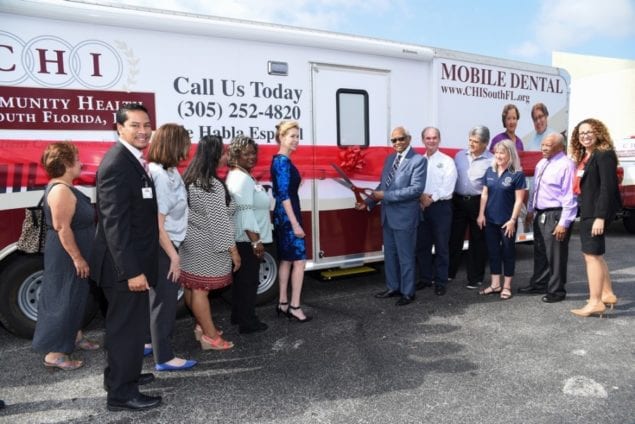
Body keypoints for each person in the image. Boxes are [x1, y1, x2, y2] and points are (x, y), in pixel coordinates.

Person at [90, 103, 162, 411]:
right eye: (135, 125)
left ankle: (121, 376)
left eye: (146, 124)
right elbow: (114, 225)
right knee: (126, 330)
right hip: (123, 268)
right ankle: (121, 394)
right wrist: (131, 271)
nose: (143, 130)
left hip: (131, 263)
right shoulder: (117, 164)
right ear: (119, 128)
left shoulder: (132, 160)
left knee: (125, 327)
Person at [32, 142, 98, 371]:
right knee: (63, 298)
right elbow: (63, 228)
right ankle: (55, 354)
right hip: (66, 256)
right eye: (77, 159)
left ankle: (75, 336)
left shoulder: (63, 187)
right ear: (67, 164)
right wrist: (78, 258)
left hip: (70, 254)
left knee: (76, 297)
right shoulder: (61, 190)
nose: (81, 163)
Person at [145, 123, 197, 371]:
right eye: (185, 143)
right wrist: (174, 257)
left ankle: (148, 342)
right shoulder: (160, 176)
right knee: (164, 302)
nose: (187, 148)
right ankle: (164, 357)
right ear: (174, 144)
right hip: (165, 247)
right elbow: (158, 225)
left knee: (157, 300)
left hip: (172, 243)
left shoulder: (171, 171)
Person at [355, 126, 427, 306]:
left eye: (400, 139)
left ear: (409, 139)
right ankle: (393, 287)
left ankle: (408, 292)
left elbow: (416, 190)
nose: (397, 143)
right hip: (388, 217)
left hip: (405, 218)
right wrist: (368, 203)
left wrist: (385, 196)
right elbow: (382, 185)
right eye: (393, 140)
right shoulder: (389, 160)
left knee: (406, 257)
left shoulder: (418, 160)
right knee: (390, 255)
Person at [179, 135, 239, 349]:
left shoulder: (189, 178)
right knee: (201, 290)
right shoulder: (210, 185)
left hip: (191, 243)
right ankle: (211, 337)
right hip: (208, 245)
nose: (226, 156)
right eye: (224, 152)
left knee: (192, 286)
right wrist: (233, 251)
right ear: (215, 156)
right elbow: (219, 223)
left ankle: (201, 327)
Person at [569, 119, 621, 318]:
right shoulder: (587, 155)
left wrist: (600, 217)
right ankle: (607, 294)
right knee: (595, 255)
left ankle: (595, 302)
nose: (585, 135)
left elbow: (608, 188)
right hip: (589, 210)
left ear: (598, 132)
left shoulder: (603, 154)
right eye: (581, 133)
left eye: (589, 131)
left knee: (591, 256)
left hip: (595, 213)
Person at [518, 133, 577, 302]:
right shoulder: (542, 163)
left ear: (560, 146)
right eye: (542, 144)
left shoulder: (566, 165)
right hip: (540, 213)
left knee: (556, 255)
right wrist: (530, 210)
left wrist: (563, 223)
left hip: (556, 215)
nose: (543, 148)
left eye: (548, 145)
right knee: (540, 252)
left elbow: (570, 197)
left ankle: (557, 291)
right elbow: (536, 189)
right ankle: (539, 284)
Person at [226, 135, 273, 333]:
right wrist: (255, 241)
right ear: (236, 155)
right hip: (246, 239)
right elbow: (245, 211)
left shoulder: (243, 175)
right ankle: (248, 322)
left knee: (242, 281)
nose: (251, 156)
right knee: (248, 282)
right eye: (246, 153)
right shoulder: (242, 178)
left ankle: (238, 316)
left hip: (244, 238)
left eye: (253, 152)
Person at [270, 121, 312, 321]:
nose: (296, 140)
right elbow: (284, 195)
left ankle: (283, 303)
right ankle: (295, 306)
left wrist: (297, 181)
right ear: (281, 137)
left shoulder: (281, 160)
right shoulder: (282, 161)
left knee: (286, 259)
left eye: (297, 136)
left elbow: (283, 189)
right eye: (292, 136)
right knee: (299, 260)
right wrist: (295, 224)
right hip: (289, 217)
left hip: (283, 215)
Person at [477, 139, 527, 300]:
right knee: (493, 253)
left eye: (502, 152)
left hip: (507, 222)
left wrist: (513, 220)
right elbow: (485, 194)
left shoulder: (517, 174)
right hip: (490, 220)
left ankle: (506, 286)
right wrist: (481, 214)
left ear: (510, 154)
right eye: (496, 152)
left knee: (508, 253)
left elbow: (519, 200)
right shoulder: (490, 171)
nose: (498, 156)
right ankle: (495, 284)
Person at [448, 126, 493, 290]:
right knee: (454, 238)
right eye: (470, 140)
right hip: (458, 201)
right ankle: (449, 273)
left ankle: (475, 278)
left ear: (485, 143)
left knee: (478, 241)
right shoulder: (459, 156)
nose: (472, 144)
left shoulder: (492, 160)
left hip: (478, 203)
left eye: (476, 141)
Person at [415, 127, 457, 296]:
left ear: (439, 140)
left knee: (441, 247)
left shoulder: (447, 161)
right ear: (423, 140)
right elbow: (415, 184)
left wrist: (430, 198)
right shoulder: (419, 161)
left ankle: (440, 281)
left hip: (441, 208)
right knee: (422, 246)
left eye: (434, 138)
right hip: (422, 208)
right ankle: (425, 278)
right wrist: (421, 198)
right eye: (427, 138)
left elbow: (448, 187)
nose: (431, 141)